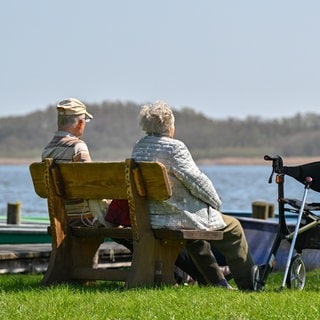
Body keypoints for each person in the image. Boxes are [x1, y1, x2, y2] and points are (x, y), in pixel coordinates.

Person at [130, 100, 257, 291]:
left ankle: (217, 284)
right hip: (175, 218)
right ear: (169, 126)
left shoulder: (139, 147)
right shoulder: (175, 148)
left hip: (151, 217)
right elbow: (198, 182)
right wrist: (216, 203)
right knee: (234, 229)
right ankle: (250, 285)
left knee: (195, 237)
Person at [41, 98, 108, 226]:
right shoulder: (78, 147)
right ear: (80, 123)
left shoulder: (47, 151)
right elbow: (91, 185)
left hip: (61, 218)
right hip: (86, 218)